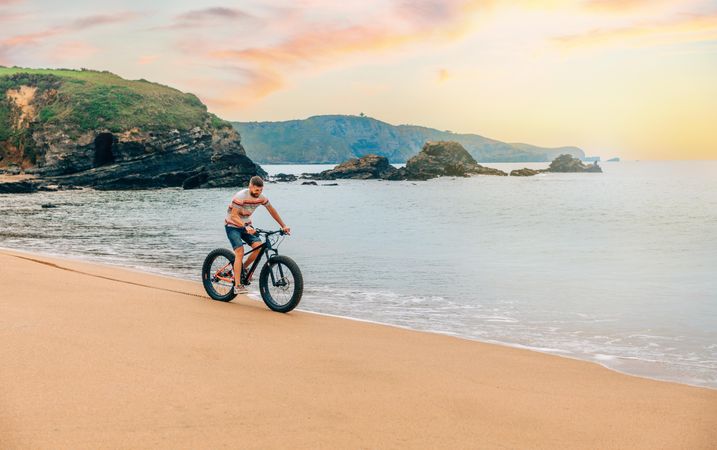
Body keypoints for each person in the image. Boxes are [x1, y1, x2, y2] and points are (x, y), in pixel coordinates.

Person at [225, 176, 290, 294]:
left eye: (260, 190)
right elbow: (234, 216)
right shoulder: (240, 196)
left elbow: (272, 211)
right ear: (250, 186)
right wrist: (245, 227)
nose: (258, 193)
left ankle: (242, 269)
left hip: (247, 226)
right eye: (256, 190)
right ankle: (237, 285)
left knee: (258, 248)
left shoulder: (261, 198)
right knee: (240, 251)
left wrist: (283, 226)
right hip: (232, 225)